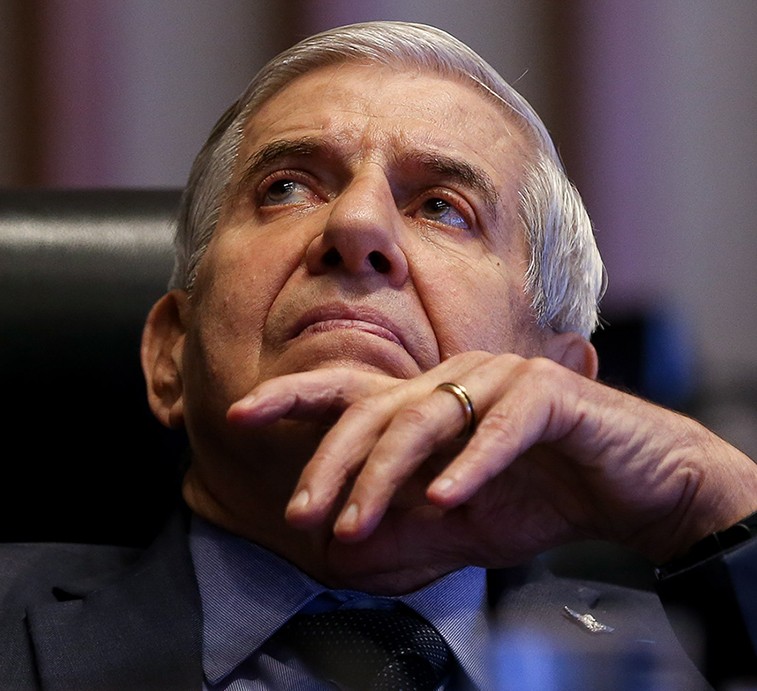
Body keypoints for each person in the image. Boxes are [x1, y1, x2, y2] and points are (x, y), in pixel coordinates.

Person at [1, 20, 756, 690]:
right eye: (286, 187)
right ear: (170, 355)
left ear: (555, 380)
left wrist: (712, 497)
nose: (357, 225)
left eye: (442, 208)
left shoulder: (687, 655)